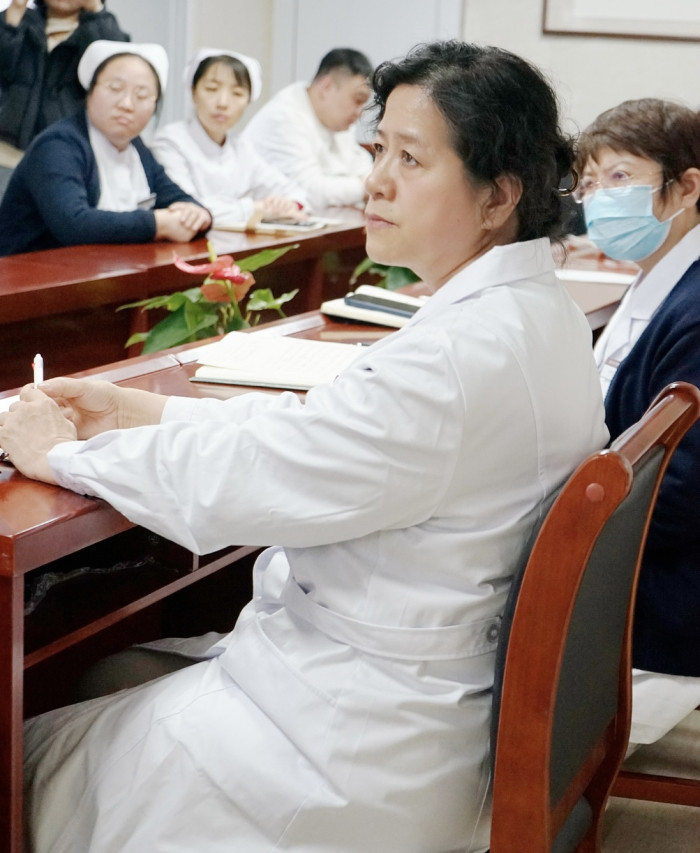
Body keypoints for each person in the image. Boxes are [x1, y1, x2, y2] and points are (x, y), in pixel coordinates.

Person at [0, 41, 607, 853]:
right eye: (378, 150)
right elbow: (319, 435)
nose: (376, 180)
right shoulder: (534, 313)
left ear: (499, 194)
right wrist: (139, 412)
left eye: (410, 159)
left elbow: (255, 478)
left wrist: (60, 456)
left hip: (345, 746)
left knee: (23, 760)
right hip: (412, 703)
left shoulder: (455, 359)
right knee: (101, 687)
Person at [575, 98, 700, 748]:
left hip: (667, 593)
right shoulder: (660, 277)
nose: (600, 199)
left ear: (687, 188)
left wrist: (560, 529)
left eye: (620, 178)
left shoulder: (694, 307)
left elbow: (680, 491)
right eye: (589, 183)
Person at [0, 40, 212, 257]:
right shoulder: (57, 145)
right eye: (115, 88)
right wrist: (158, 224)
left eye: (141, 95)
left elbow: (176, 196)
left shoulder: (136, 147)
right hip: (30, 272)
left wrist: (198, 214)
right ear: (90, 91)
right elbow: (74, 224)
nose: (127, 104)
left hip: (104, 267)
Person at [150, 48, 308, 228]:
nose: (223, 103)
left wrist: (284, 204)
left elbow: (295, 192)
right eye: (212, 89)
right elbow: (187, 210)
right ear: (194, 93)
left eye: (237, 93)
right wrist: (257, 208)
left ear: (248, 101)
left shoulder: (241, 147)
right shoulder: (170, 142)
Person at [241, 47, 373, 210]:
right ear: (327, 87)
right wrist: (366, 187)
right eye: (358, 100)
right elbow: (309, 193)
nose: (360, 112)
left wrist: (368, 183)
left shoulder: (338, 120)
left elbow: (361, 167)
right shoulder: (284, 116)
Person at [0, 0, 129, 151]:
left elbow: (116, 67)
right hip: (7, 142)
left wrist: (96, 10)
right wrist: (15, 11)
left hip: (67, 145)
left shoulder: (98, 28)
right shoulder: (20, 19)